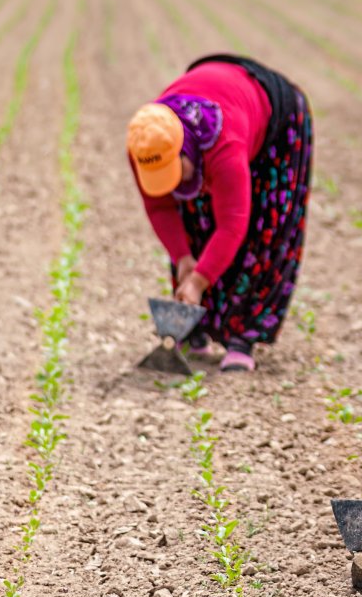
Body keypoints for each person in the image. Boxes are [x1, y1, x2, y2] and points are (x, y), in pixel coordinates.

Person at [127, 55, 313, 372]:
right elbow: (159, 206)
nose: (167, 183)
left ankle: (242, 337)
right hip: (221, 105)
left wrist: (200, 280)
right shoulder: (144, 144)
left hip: (273, 121)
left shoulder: (223, 144)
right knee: (192, 218)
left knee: (262, 227)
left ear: (185, 146)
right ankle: (195, 329)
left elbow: (232, 224)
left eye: (173, 169)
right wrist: (184, 259)